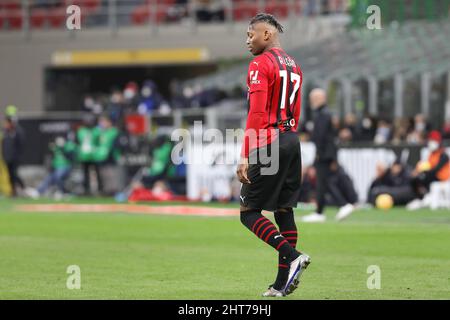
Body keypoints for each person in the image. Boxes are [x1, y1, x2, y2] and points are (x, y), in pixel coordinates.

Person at [236, 13, 310, 298]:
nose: (247, 41)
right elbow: (297, 110)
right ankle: (281, 285)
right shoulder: (295, 66)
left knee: (248, 212)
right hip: (291, 139)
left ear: (266, 34)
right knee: (283, 210)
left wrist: (245, 155)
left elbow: (255, 113)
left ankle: (292, 256)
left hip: (269, 141)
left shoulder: (259, 64)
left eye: (250, 35)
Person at [301, 89, 355, 222]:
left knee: (325, 182)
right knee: (322, 183)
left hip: (325, 154)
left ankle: (342, 204)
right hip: (326, 153)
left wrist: (318, 155)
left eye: (314, 98)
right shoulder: (323, 114)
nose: (312, 101)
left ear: (321, 98)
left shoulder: (323, 114)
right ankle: (320, 212)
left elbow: (321, 137)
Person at [407, 131, 450, 210]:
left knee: (422, 177)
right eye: (430, 141)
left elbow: (436, 169)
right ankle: (421, 198)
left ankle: (424, 198)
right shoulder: (431, 154)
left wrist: (422, 172)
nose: (431, 143)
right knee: (414, 179)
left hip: (441, 178)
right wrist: (418, 171)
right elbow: (427, 166)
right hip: (433, 176)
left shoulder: (443, 155)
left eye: (433, 141)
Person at [1, 117, 26, 197]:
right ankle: (13, 192)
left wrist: (18, 156)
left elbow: (20, 145)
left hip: (14, 158)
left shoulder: (17, 132)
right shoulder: (5, 132)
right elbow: (5, 146)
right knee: (11, 175)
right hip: (7, 158)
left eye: (7, 123)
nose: (6, 124)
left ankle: (23, 188)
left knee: (14, 174)